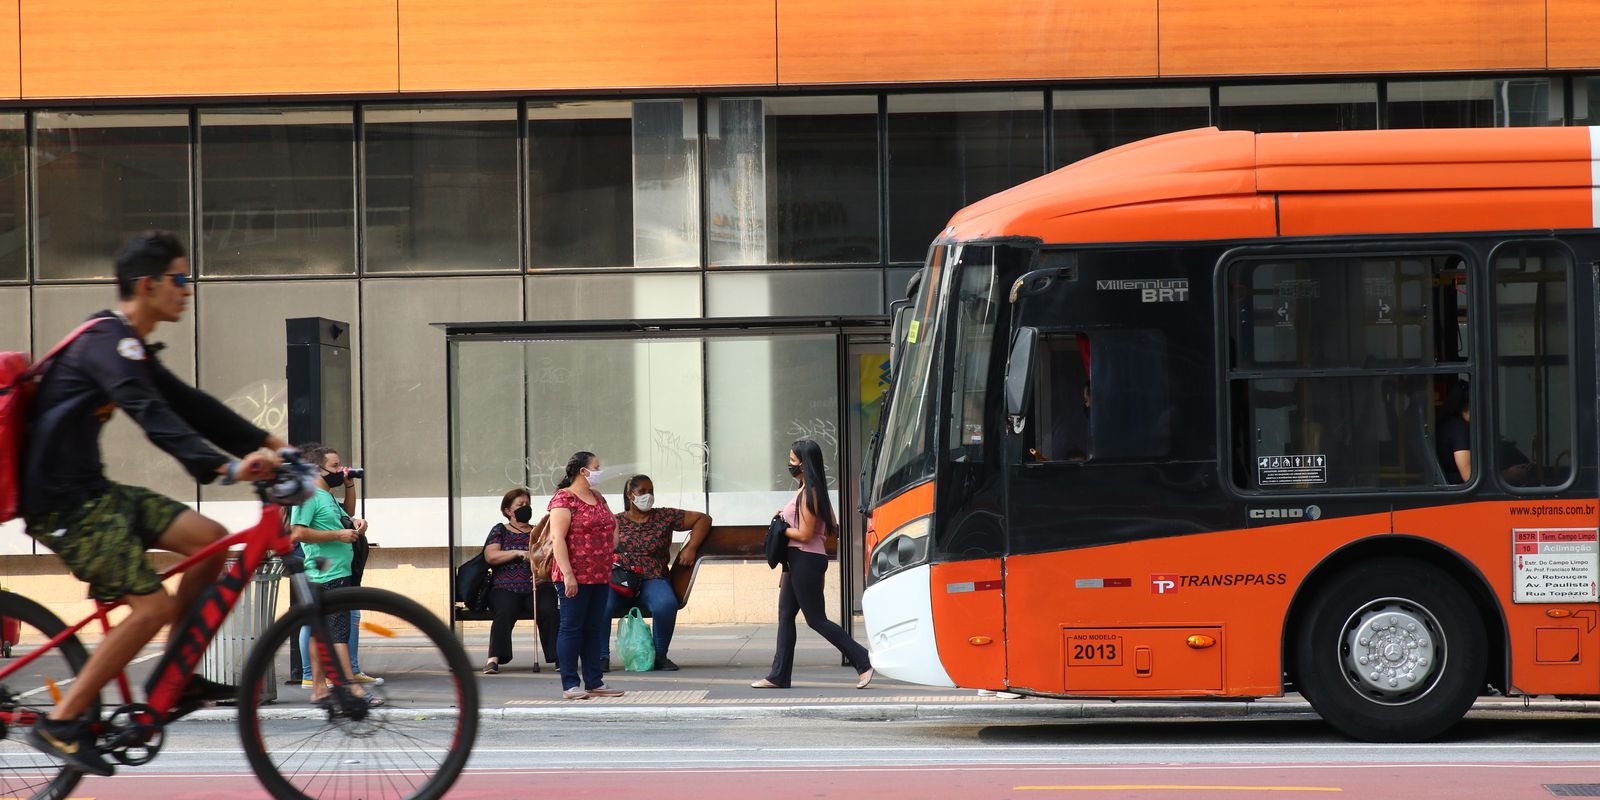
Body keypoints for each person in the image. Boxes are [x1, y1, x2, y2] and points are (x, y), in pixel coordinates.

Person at [17, 231, 285, 776]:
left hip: (97, 495)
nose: (188, 290)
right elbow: (152, 416)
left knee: (210, 542)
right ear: (148, 284)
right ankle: (61, 722)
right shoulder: (106, 344)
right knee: (152, 607)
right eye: (180, 279)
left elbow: (190, 405)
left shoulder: (129, 346)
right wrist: (226, 467)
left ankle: (175, 675)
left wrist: (276, 445)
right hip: (62, 506)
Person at [751, 439, 874, 690]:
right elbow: (832, 526)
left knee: (816, 619)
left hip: (805, 558)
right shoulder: (809, 489)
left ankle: (863, 661)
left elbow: (806, 535)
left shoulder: (811, 493)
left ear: (804, 465)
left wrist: (781, 529)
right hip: (797, 560)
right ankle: (779, 675)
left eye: (793, 461)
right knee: (785, 616)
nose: (790, 465)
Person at [289, 443, 380, 706]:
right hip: (326, 573)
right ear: (316, 469)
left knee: (324, 633)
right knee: (339, 632)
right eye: (334, 466)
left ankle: (319, 688)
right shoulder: (308, 495)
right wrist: (337, 535)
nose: (339, 470)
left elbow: (346, 515)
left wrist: (355, 523)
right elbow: (297, 532)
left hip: (338, 570)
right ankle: (350, 688)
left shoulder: (326, 495)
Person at [600, 474, 712, 671]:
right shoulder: (615, 521)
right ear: (630, 495)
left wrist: (691, 547)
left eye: (651, 491)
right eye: (642, 492)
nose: (648, 496)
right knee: (601, 604)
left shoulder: (664, 516)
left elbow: (703, 519)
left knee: (666, 604)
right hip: (621, 579)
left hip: (653, 577)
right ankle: (600, 657)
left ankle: (660, 655)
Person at [547, 451, 625, 700]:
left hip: (600, 573)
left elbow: (612, 525)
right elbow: (557, 538)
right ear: (583, 471)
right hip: (574, 576)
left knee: (593, 627)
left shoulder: (597, 497)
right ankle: (570, 683)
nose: (600, 471)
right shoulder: (563, 499)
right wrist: (568, 575)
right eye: (596, 467)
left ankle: (594, 681)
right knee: (572, 627)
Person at [482, 488, 558, 674]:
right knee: (506, 609)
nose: (526, 507)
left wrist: (542, 573)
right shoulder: (500, 530)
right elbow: (491, 556)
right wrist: (517, 553)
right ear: (508, 510)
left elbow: (552, 557)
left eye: (527, 504)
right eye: (520, 505)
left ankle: (559, 657)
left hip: (537, 585)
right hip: (505, 587)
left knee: (549, 609)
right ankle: (494, 658)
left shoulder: (538, 532)